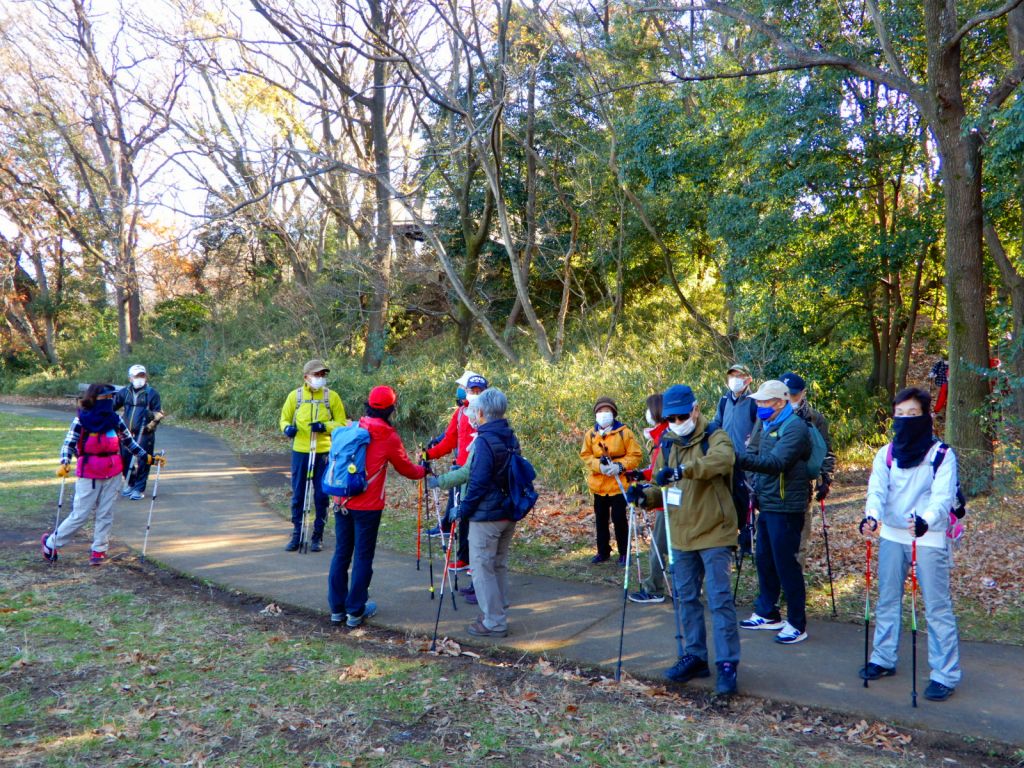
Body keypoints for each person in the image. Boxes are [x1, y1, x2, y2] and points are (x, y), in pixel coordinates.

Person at [628, 384, 740, 694]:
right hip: (681, 534)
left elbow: (721, 462)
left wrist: (682, 471)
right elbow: (661, 486)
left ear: (695, 409)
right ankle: (695, 656)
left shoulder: (715, 436)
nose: (677, 422)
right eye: (671, 418)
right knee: (685, 598)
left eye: (681, 416)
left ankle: (727, 664)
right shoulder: (667, 443)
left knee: (719, 600)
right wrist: (644, 497)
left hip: (715, 531)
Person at [859, 387, 961, 701]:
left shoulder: (942, 454)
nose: (905, 421)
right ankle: (883, 658)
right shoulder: (886, 454)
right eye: (899, 415)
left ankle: (945, 674)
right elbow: (877, 490)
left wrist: (925, 520)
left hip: (927, 537)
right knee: (887, 598)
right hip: (891, 534)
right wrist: (872, 517)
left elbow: (943, 498)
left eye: (912, 415)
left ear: (925, 416)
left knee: (936, 606)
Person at [328, 385, 427, 627]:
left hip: (342, 500)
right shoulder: (388, 436)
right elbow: (407, 470)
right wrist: (424, 469)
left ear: (368, 405)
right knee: (362, 556)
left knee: (341, 553)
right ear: (392, 409)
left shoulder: (354, 427)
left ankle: (337, 610)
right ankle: (355, 610)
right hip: (368, 506)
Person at [41, 383, 165, 565]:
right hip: (88, 473)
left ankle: (99, 550)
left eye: (111, 398)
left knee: (105, 513)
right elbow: (69, 443)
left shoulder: (115, 419)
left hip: (113, 472)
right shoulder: (82, 419)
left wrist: (148, 458)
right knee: (80, 515)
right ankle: (51, 543)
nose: (110, 401)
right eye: (106, 398)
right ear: (94, 399)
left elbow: (129, 443)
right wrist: (65, 462)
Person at [437, 388, 522, 637]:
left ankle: (494, 621)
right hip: (507, 511)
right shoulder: (509, 436)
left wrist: (463, 508)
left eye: (475, 411)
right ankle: (495, 611)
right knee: (497, 564)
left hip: (487, 514)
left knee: (482, 566)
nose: (473, 414)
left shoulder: (484, 441)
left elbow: (477, 481)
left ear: (483, 412)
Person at [736, 380, 812, 644]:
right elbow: (754, 451)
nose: (759, 406)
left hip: (787, 506)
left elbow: (777, 462)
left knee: (786, 564)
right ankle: (768, 612)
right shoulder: (765, 422)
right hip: (767, 502)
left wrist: (739, 460)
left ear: (780, 402)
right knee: (764, 558)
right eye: (758, 401)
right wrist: (751, 478)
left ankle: (796, 623)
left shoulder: (795, 428)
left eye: (764, 401)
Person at [279, 359, 347, 552]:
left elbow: (342, 423)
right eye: (316, 375)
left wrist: (325, 427)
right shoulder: (295, 396)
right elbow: (283, 418)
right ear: (306, 377)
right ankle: (297, 534)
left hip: (324, 452)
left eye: (322, 375)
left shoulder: (331, 397)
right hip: (300, 451)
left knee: (321, 496)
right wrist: (287, 429)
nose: (320, 378)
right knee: (298, 494)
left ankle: (318, 535)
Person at [424, 372, 488, 573]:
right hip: (462, 470)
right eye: (471, 390)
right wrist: (429, 455)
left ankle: (477, 561)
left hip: (482, 469)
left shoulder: (489, 412)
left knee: (479, 515)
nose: (474, 394)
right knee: (462, 516)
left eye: (479, 391)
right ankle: (464, 559)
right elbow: (450, 439)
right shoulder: (460, 412)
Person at [779, 372, 836, 567]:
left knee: (801, 535)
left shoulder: (815, 419)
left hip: (805, 483)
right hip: (777, 483)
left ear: (803, 393)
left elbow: (827, 451)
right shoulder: (770, 416)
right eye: (784, 394)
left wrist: (826, 479)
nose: (788, 399)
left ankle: (795, 580)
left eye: (793, 395)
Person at [579, 396, 642, 565]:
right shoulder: (591, 434)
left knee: (619, 519)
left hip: (618, 484)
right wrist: (599, 465)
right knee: (600, 520)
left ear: (613, 413)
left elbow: (635, 455)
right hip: (599, 485)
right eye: (600, 411)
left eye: (606, 411)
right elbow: (585, 455)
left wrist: (620, 466)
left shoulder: (624, 432)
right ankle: (603, 552)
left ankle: (624, 553)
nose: (603, 414)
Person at [710, 363, 758, 556]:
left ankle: (747, 541)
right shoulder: (723, 401)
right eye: (731, 376)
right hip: (724, 458)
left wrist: (752, 442)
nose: (734, 380)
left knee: (747, 499)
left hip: (746, 460)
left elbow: (759, 427)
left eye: (738, 376)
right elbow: (716, 423)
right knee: (725, 497)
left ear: (747, 379)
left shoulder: (754, 402)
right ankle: (728, 539)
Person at [627, 393, 669, 604]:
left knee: (658, 549)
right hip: (664, 500)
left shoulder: (665, 436)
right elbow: (655, 468)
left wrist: (646, 477)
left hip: (666, 502)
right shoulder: (660, 435)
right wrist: (641, 474)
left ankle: (653, 589)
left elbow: (662, 469)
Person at [112, 364, 165, 500]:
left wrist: (152, 419)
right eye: (136, 376)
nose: (139, 378)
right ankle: (131, 483)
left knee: (143, 460)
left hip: (145, 432)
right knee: (124, 458)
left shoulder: (152, 393)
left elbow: (159, 413)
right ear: (130, 378)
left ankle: (139, 488)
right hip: (126, 433)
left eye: (142, 375)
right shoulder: (124, 392)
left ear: (145, 376)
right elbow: (112, 407)